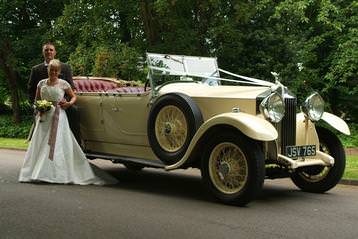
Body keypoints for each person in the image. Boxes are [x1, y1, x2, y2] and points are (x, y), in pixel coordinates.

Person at [19, 59, 118, 185]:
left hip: (58, 116)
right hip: (43, 117)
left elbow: (73, 96)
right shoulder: (41, 83)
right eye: (51, 70)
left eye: (55, 70)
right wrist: (39, 107)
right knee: (40, 143)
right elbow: (36, 100)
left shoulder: (63, 83)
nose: (53, 72)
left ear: (58, 71)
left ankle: (54, 173)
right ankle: (36, 171)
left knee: (57, 144)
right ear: (48, 70)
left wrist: (69, 103)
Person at [27, 42, 81, 145]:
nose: (49, 52)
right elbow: (31, 90)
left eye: (51, 50)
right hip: (43, 104)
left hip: (61, 104)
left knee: (75, 111)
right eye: (46, 50)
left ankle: (77, 143)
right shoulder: (36, 69)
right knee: (38, 115)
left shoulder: (65, 67)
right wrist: (36, 106)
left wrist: (67, 103)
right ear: (43, 52)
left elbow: (71, 88)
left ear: (55, 52)